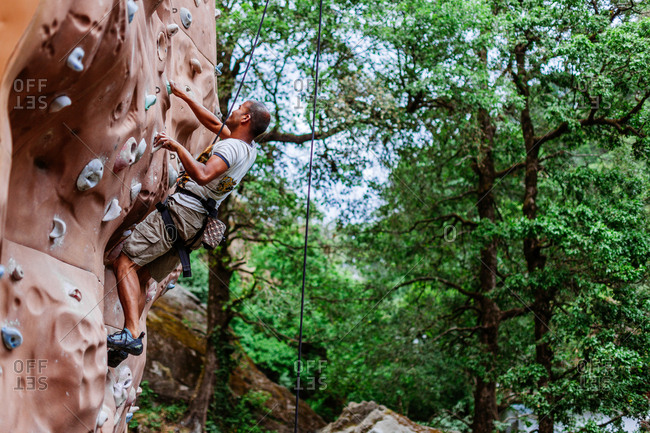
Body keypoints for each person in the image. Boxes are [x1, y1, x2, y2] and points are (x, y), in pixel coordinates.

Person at [107, 82, 271, 359]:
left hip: (182, 212)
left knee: (124, 261)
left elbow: (204, 174)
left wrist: (176, 147)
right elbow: (214, 123)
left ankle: (131, 334)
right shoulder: (248, 148)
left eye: (240, 107)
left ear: (245, 118)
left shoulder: (230, 149)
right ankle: (126, 341)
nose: (235, 108)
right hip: (194, 226)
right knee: (143, 274)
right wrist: (186, 97)